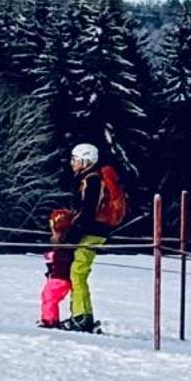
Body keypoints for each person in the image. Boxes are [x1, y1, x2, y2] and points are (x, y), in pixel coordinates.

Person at [61, 141, 126, 332]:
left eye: (75, 160)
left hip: (92, 231)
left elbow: (88, 211)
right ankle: (81, 315)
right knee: (78, 271)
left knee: (78, 273)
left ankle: (81, 318)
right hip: (95, 230)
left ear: (85, 160)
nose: (72, 163)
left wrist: (72, 233)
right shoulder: (89, 178)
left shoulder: (92, 180)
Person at [38, 207, 75, 328]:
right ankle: (51, 318)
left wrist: (51, 257)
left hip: (59, 277)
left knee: (49, 297)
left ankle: (49, 320)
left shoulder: (62, 242)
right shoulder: (63, 241)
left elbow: (60, 259)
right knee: (48, 296)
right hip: (59, 276)